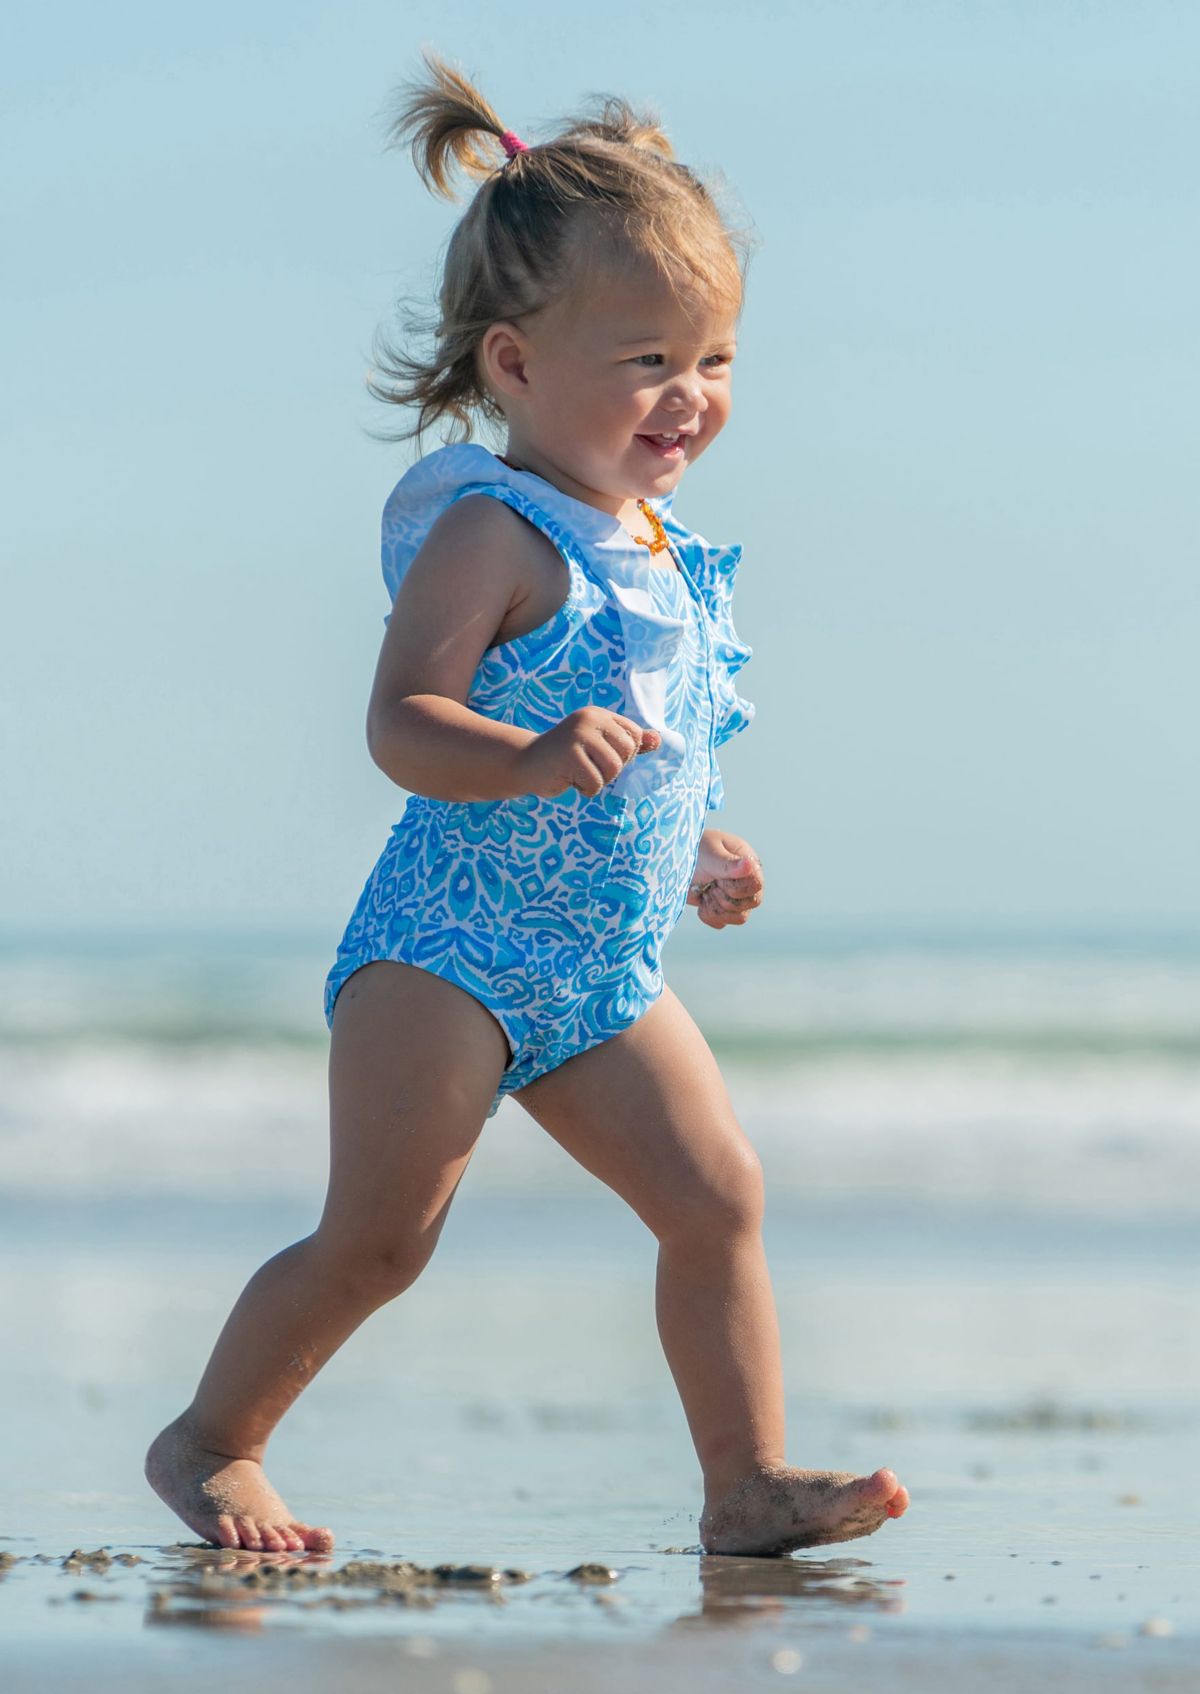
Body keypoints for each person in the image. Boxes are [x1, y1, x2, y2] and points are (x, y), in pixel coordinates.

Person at [145, 52, 910, 1558]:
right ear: (512, 366)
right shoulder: (492, 536)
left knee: (719, 1196)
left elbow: (654, 745)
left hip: (600, 969)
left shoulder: (664, 547)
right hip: (446, 952)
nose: (689, 397)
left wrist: (698, 846)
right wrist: (526, 754)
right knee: (382, 1239)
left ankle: (742, 1483)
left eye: (718, 359)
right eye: (646, 362)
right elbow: (401, 722)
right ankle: (211, 1439)